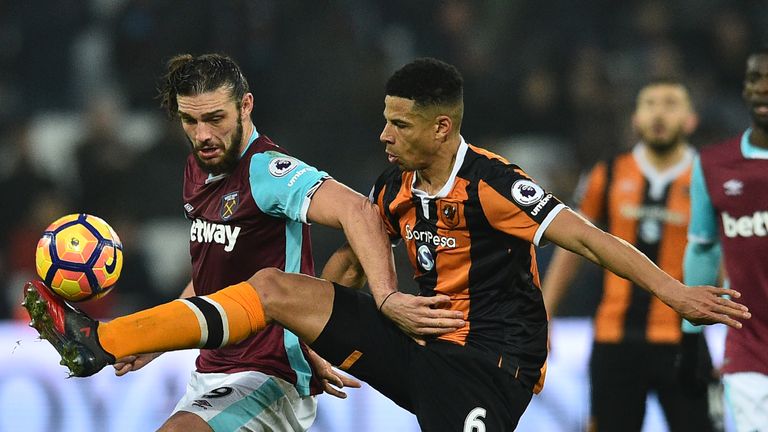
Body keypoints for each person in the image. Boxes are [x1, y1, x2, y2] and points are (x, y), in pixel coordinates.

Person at [24, 57, 750, 432]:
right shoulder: (395, 183)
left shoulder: (495, 183)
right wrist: (317, 333)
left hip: (487, 368)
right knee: (280, 290)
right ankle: (107, 340)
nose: (383, 135)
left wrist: (673, 290)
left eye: (398, 125)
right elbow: (344, 260)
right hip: (417, 340)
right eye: (383, 120)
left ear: (440, 129)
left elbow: (589, 240)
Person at [37, 52, 419, 432]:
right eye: (191, 120)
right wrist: (158, 341)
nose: (203, 135)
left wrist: (386, 296)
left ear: (245, 106)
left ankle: (104, 339)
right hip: (211, 371)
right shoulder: (199, 167)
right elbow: (210, 279)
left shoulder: (267, 170)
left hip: (268, 374)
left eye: (215, 118)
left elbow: (360, 211)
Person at [541, 79, 715, 431]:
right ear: (635, 119)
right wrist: (544, 311)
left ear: (690, 119)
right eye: (649, 104)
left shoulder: (712, 177)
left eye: (670, 104)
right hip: (614, 339)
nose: (659, 114)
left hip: (685, 339)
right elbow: (573, 247)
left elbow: (732, 255)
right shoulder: (606, 174)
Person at [681, 48, 768, 432]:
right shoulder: (713, 165)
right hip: (748, 348)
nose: (763, 89)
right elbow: (703, 248)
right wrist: (690, 338)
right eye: (754, 79)